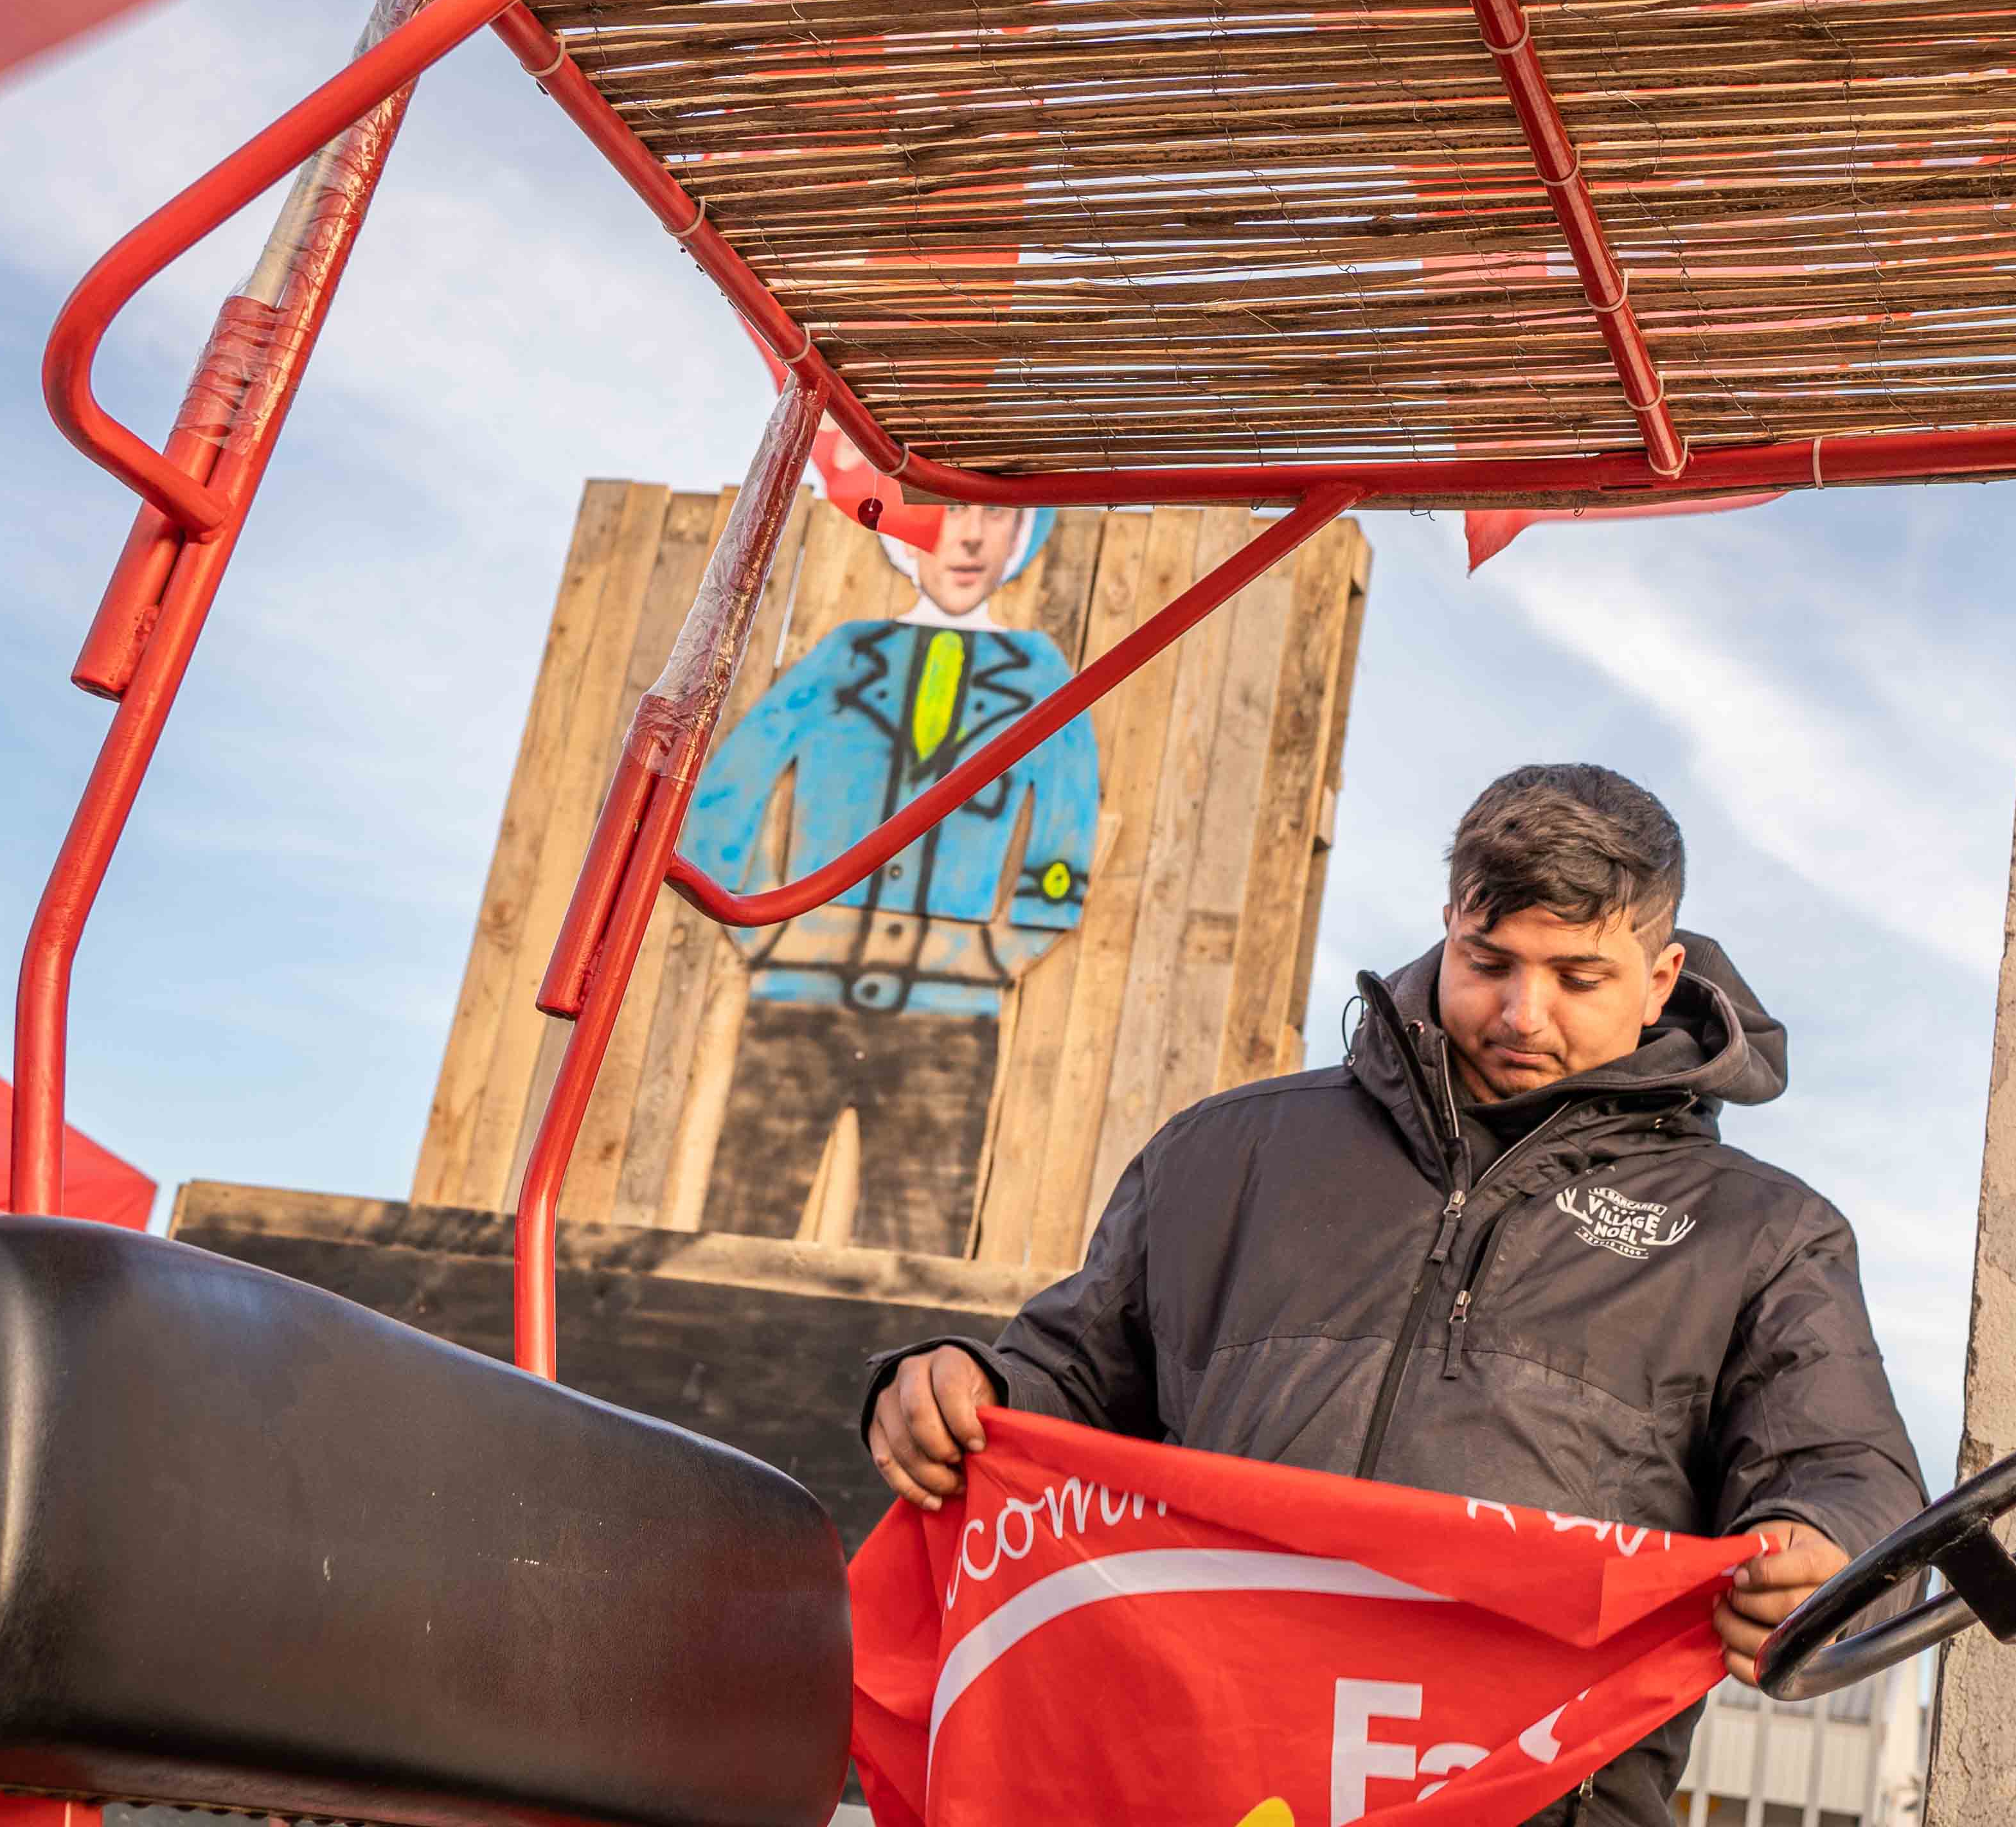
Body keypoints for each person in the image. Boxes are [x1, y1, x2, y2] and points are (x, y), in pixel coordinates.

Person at [863, 762, 1927, 1826]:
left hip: (1541, 1802)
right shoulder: (1225, 1152)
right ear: (1448, 926)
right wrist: (965, 1382)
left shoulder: (1766, 1233)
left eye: (1578, 978)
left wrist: (1822, 1549)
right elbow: (1070, 1378)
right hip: (1200, 1776)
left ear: (1661, 978)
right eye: (1490, 962)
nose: (1523, 1012)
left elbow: (1845, 1473)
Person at [684, 499, 1100, 1256]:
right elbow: (727, 795)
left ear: (1023, 534)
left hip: (950, 1016)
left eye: (995, 517)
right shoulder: (848, 652)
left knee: (913, 1251)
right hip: (796, 999)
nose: (969, 537)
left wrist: (1002, 950)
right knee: (741, 1224)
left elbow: (1065, 834)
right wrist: (763, 924)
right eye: (944, 512)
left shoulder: (1040, 673)